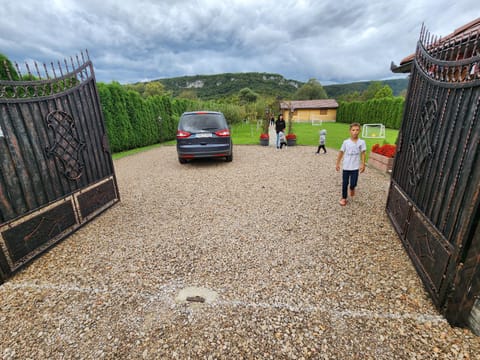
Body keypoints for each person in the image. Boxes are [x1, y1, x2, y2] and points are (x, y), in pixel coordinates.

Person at [335, 123, 366, 206]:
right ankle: (344, 198)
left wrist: (363, 164)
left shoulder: (361, 142)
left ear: (359, 131)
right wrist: (337, 163)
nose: (355, 132)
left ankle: (352, 188)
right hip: (346, 167)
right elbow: (341, 152)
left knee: (353, 183)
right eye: (353, 130)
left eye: (357, 130)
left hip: (355, 167)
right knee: (345, 183)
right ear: (350, 131)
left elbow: (363, 153)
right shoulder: (346, 142)